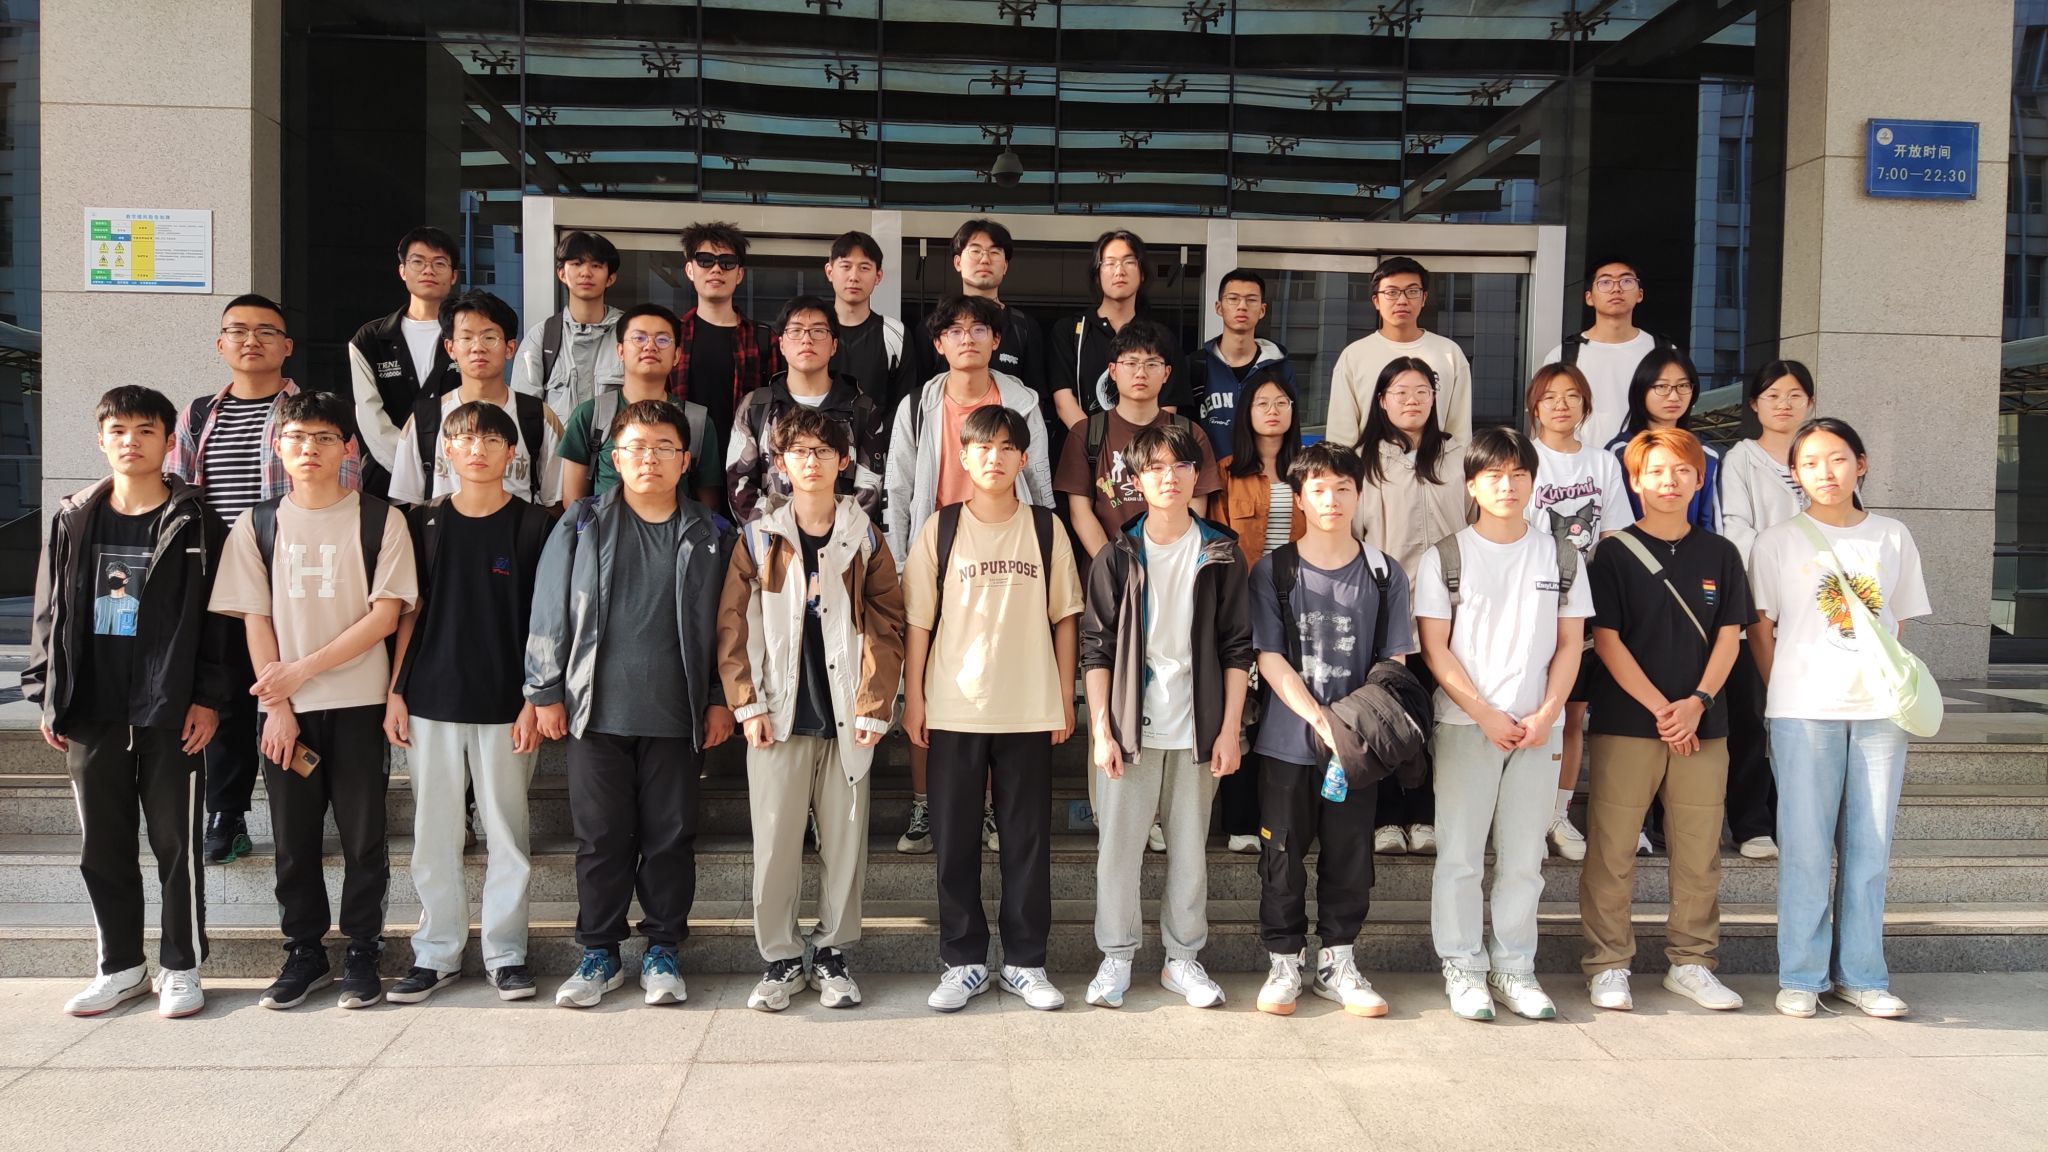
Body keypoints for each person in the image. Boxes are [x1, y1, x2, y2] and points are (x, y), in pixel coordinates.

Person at [207, 390, 418, 1011]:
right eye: (297, 438)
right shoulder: (257, 524)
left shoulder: (381, 519)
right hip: (284, 712)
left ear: (348, 448)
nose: (310, 449)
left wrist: (301, 671)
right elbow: (254, 616)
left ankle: (362, 949)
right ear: (278, 447)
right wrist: (278, 704)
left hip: (358, 704)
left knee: (363, 837)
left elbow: (385, 617)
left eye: (325, 438)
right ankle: (303, 951)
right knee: (293, 838)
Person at [27, 386, 232, 1019]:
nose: (131, 441)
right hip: (92, 705)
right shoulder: (73, 516)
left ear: (169, 441)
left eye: (146, 430)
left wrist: (209, 697)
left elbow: (220, 618)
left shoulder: (197, 520)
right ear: (100, 439)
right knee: (103, 847)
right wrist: (46, 693)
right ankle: (120, 967)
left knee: (176, 845)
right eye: (118, 430)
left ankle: (181, 966)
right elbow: (49, 608)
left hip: (170, 708)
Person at [525, 399, 735, 1009]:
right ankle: (600, 952)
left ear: (685, 460)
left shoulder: (713, 532)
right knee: (601, 840)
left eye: (664, 448)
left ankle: (663, 949)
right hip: (594, 710)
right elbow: (549, 608)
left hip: (677, 714)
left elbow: (729, 627)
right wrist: (545, 691)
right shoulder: (582, 522)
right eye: (636, 448)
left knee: (670, 837)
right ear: (614, 459)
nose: (649, 459)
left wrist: (720, 699)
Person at [717, 405, 907, 1012]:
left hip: (848, 715)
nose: (812, 461)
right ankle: (779, 958)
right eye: (799, 451)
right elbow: (734, 625)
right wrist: (747, 703)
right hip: (778, 714)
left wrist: (875, 704)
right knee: (775, 845)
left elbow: (887, 623)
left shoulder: (864, 537)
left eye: (824, 451)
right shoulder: (760, 537)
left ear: (844, 461)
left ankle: (832, 954)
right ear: (779, 462)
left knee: (845, 845)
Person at [170, 295, 363, 865]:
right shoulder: (199, 415)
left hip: (295, 574)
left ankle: (311, 809)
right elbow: (178, 493)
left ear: (287, 346)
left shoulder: (313, 415)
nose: (251, 341)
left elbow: (346, 492)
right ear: (221, 343)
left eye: (265, 331)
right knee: (226, 692)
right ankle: (226, 812)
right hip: (218, 576)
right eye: (238, 331)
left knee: (297, 688)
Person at [1749, 418, 1930, 1020]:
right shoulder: (1777, 542)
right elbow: (1762, 630)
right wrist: (1784, 686)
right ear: (1794, 475)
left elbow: (1896, 624)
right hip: (1802, 711)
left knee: (1869, 849)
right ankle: (1801, 975)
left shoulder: (1892, 536)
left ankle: (1863, 976)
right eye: (1809, 463)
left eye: (1837, 459)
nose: (1824, 473)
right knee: (1804, 848)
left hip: (1880, 712)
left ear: (1861, 463)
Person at [902, 405, 1081, 1013]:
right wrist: (915, 699)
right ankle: (964, 961)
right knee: (954, 842)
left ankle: (1026, 962)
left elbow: (1066, 617)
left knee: (1026, 842)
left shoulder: (1047, 529)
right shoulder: (941, 528)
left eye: (1007, 448)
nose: (995, 458)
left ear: (1024, 459)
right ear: (963, 456)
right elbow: (918, 621)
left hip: (1028, 708)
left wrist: (1063, 696)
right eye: (983, 447)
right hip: (956, 708)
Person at [1413, 427, 1592, 1021]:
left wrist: (1547, 712)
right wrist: (1484, 713)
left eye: (1518, 474)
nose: (1507, 485)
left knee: (1523, 860)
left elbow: (1570, 644)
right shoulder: (1446, 556)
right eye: (1493, 474)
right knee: (1461, 857)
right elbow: (1435, 649)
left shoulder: (1561, 556)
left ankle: (1515, 967)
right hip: (1467, 726)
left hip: (1537, 729)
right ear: (1471, 484)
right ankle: (1463, 965)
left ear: (1533, 482)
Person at [381, 401, 553, 1004]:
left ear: (513, 454)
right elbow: (408, 615)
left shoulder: (536, 525)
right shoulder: (422, 523)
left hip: (508, 703)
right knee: (434, 832)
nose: (477, 450)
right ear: (446, 452)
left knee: (507, 833)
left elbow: (547, 619)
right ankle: (436, 953)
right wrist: (396, 692)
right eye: (464, 440)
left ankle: (506, 954)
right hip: (430, 699)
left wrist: (535, 698)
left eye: (490, 440)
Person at [1080, 422, 1253, 1010]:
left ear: (1196, 474)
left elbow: (1237, 648)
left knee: (1189, 851)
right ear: (1136, 479)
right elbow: (1097, 650)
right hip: (1130, 726)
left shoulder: (1222, 552)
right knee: (1118, 852)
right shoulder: (1117, 555)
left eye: (1180, 465)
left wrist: (1229, 729)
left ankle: (1182, 959)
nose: (1169, 477)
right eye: (1154, 467)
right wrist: (1101, 730)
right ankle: (1116, 957)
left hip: (1197, 728)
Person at [1580, 427, 1750, 1013]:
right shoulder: (1613, 554)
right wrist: (1662, 708)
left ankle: (1692, 962)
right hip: (1629, 722)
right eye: (1655, 471)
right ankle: (1608, 964)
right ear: (1634, 480)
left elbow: (1730, 636)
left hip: (1704, 723)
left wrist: (1697, 701)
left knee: (1699, 850)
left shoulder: (1721, 553)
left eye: (1681, 471)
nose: (1669, 481)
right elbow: (1606, 640)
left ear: (1699, 480)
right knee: (1612, 848)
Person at [884, 294, 1055, 856]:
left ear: (996, 340)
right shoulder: (918, 404)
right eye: (954, 331)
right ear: (938, 344)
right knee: (926, 677)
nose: (967, 338)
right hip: (938, 553)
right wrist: (902, 560)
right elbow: (898, 489)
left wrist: (1045, 545)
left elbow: (1040, 480)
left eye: (979, 329)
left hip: (1007, 550)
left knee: (993, 680)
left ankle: (985, 808)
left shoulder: (1021, 401)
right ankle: (924, 802)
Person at [1249, 442, 1415, 1019]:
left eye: (1343, 488)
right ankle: (1284, 961)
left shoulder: (1384, 573)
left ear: (1359, 494)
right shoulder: (1274, 570)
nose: (1331, 499)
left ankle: (1338, 961)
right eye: (1318, 489)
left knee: (1350, 855)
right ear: (1299, 498)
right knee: (1282, 854)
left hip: (1359, 748)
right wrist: (1322, 720)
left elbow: (1393, 661)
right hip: (1288, 743)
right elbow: (1269, 656)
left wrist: (1350, 729)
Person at [1351, 356, 1470, 856]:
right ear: (1382, 401)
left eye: (1421, 391)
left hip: (1450, 610)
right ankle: (1386, 819)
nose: (1412, 400)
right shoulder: (1362, 462)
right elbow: (1351, 535)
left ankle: (1424, 816)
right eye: (1400, 392)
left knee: (1432, 716)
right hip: (1384, 609)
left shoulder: (1460, 457)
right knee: (1384, 711)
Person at [1524, 363, 1633, 863]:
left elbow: (1612, 536)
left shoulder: (1602, 463)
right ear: (1535, 406)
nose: (1561, 405)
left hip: (1583, 605)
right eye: (1550, 396)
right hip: (1531, 601)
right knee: (1529, 708)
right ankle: (1524, 815)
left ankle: (1558, 813)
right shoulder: (1523, 458)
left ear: (1586, 405)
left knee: (1571, 714)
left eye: (1571, 396)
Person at [1716, 360, 1817, 861]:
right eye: (1773, 395)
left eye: (1795, 395)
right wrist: (1790, 562)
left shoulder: (1819, 454)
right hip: (1759, 606)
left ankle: (1795, 820)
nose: (1784, 404)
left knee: (1804, 720)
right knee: (1753, 718)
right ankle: (1751, 823)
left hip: (1816, 614)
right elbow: (1736, 530)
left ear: (1810, 403)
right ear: (1755, 404)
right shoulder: (1742, 459)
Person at [1213, 367, 1304, 854]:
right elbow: (1216, 549)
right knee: (1242, 713)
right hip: (1244, 609)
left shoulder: (1310, 471)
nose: (1273, 411)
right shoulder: (1226, 473)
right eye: (1262, 403)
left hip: (1299, 611)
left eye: (1281, 402)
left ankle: (1286, 819)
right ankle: (1241, 822)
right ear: (1246, 413)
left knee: (1289, 712)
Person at [1056, 320, 1222, 561]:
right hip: (1107, 571)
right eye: (1131, 363)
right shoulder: (1086, 433)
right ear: (1113, 371)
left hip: (1172, 566)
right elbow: (1080, 513)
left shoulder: (1190, 433)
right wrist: (1113, 568)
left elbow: (1195, 507)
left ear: (1166, 373)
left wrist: (1167, 562)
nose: (1141, 373)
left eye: (1152, 364)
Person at [388, 289, 564, 508]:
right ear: (450, 348)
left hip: (514, 530)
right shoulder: (425, 420)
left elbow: (555, 504)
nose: (478, 348)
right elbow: (410, 505)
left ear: (510, 348)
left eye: (489, 337)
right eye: (466, 338)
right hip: (442, 530)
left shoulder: (539, 417)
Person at [727, 294, 888, 526]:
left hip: (842, 541)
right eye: (796, 330)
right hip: (772, 541)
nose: (807, 339)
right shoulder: (756, 407)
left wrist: (832, 538)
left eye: (818, 331)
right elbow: (739, 485)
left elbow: (870, 490)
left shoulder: (860, 408)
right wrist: (777, 536)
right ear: (782, 344)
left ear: (834, 345)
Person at [559, 303, 722, 509]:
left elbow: (709, 509)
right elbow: (573, 505)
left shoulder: (697, 422)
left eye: (662, 340)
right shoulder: (591, 415)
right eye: (639, 338)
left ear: (676, 355)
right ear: (620, 351)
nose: (650, 346)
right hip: (605, 529)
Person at [349, 225, 463, 498]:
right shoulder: (371, 339)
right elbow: (370, 416)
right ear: (402, 270)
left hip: (457, 478)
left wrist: (446, 470)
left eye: (439, 263)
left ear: (454, 275)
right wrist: (411, 472)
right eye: (418, 262)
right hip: (387, 482)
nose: (428, 270)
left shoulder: (467, 334)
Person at [1049, 229, 1194, 433]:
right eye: (1109, 263)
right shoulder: (1070, 331)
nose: (1119, 271)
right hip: (1084, 448)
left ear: (1142, 273)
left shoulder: (1162, 337)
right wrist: (1096, 443)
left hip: (1144, 449)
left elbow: (1167, 407)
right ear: (1097, 275)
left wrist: (1139, 448)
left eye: (1129, 262)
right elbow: (1064, 402)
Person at [1326, 257, 1473, 445]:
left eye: (1412, 291)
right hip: (1370, 463)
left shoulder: (1449, 353)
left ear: (1424, 298)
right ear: (1376, 301)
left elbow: (1459, 431)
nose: (1402, 300)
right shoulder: (1354, 355)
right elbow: (1341, 434)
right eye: (1392, 292)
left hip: (1435, 462)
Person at [1540, 258, 1672, 453]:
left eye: (1626, 281)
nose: (1616, 289)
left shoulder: (1663, 351)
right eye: (1605, 282)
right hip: (1582, 463)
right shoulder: (1564, 355)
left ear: (1640, 294)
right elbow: (1548, 418)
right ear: (1589, 298)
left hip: (1645, 462)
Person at [670, 220, 779, 449]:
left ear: (739, 274)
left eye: (727, 262)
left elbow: (777, 410)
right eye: (705, 260)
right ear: (690, 270)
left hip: (745, 461)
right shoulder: (671, 335)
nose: (716, 269)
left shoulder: (763, 339)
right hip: (681, 457)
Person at [511, 229, 625, 427]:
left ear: (610, 278)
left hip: (618, 446)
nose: (586, 273)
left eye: (596, 265)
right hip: (558, 447)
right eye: (576, 264)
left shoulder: (629, 333)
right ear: (562, 273)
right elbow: (524, 414)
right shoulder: (542, 336)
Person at [1604, 347, 1720, 532]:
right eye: (1661, 386)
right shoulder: (1618, 453)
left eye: (1683, 385)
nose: (1674, 396)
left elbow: (1709, 522)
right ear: (1641, 390)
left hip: (1694, 549)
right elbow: (1611, 522)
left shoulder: (1706, 454)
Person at [1190, 269, 1298, 461]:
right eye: (1233, 299)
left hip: (1263, 475)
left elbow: (1291, 430)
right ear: (1219, 307)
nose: (1242, 306)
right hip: (1209, 476)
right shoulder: (1197, 365)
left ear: (1262, 310)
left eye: (1251, 300)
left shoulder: (1279, 367)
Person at [824, 230, 920, 413]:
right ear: (829, 272)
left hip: (879, 432)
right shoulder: (810, 333)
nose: (854, 276)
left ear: (878, 276)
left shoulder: (895, 335)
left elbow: (903, 407)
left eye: (864, 268)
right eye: (846, 266)